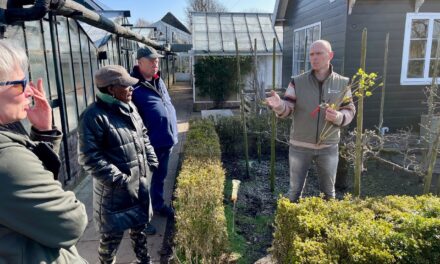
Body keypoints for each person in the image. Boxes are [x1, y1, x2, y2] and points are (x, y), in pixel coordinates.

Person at [0, 40, 88, 263]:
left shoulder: (10, 140)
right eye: (21, 84)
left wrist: (43, 133)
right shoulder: (6, 157)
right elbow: (70, 222)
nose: (30, 90)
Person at [78, 65, 158, 264]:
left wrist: (151, 160)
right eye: (126, 85)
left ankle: (144, 261)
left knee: (139, 232)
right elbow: (89, 158)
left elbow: (143, 135)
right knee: (110, 243)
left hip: (138, 187)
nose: (131, 89)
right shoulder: (93, 116)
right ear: (111, 89)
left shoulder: (130, 107)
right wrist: (121, 180)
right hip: (114, 195)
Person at [266, 40, 356, 202]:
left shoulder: (343, 83)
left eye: (319, 53)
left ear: (330, 55)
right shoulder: (297, 82)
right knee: (294, 192)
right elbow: (288, 108)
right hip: (299, 147)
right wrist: (279, 106)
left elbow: (349, 110)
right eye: (311, 54)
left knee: (329, 194)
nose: (314, 58)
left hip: (328, 147)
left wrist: (339, 117)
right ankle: (289, 225)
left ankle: (327, 226)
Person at [131, 46, 178, 234]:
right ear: (139, 62)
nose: (155, 63)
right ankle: (141, 220)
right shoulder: (133, 87)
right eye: (151, 60)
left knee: (160, 178)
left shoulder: (159, 81)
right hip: (148, 146)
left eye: (156, 60)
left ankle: (158, 205)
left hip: (166, 141)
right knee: (143, 184)